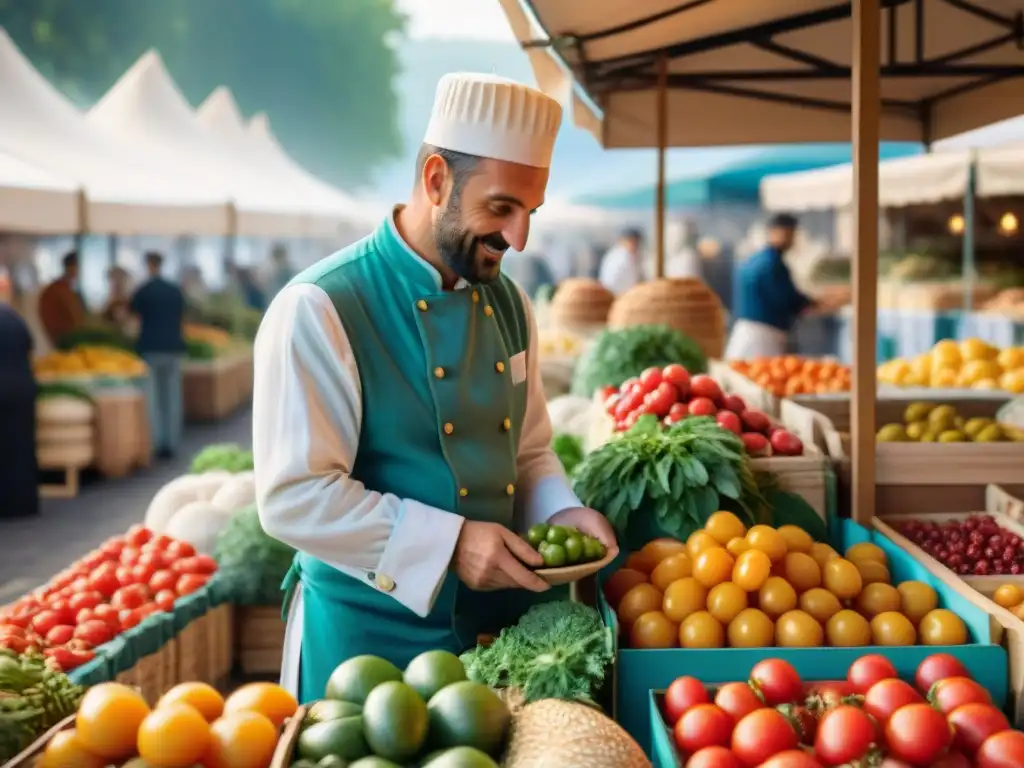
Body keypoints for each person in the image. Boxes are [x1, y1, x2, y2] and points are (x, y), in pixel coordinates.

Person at [253, 72, 618, 703]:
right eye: (501, 207)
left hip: (498, 643)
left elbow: (528, 451)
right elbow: (295, 497)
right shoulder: (321, 306)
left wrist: (561, 509)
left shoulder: (511, 304)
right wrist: (448, 544)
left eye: (530, 212)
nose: (519, 238)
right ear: (435, 180)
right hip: (365, 655)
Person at [726, 213, 823, 359]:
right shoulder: (772, 265)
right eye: (788, 234)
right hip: (764, 337)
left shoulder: (754, 260)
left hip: (744, 333)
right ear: (774, 232)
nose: (790, 240)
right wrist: (814, 302)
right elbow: (789, 300)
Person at [130, 252, 186, 458]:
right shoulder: (174, 291)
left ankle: (156, 442)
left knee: (153, 398)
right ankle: (171, 442)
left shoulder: (143, 291)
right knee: (172, 396)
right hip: (173, 347)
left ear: (148, 265)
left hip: (150, 348)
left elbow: (131, 315)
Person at [0, 298, 39, 518]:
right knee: (22, 446)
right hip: (23, 388)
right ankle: (25, 503)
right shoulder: (13, 317)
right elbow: (30, 347)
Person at [38, 251, 85, 346]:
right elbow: (49, 320)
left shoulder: (69, 290)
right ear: (71, 268)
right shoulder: (56, 291)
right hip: (65, 341)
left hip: (72, 340)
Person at [598, 227, 645, 295]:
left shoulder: (613, 254)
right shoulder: (624, 257)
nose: (636, 245)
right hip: (620, 296)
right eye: (634, 241)